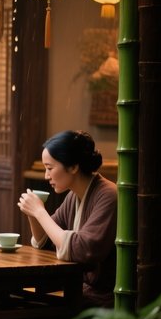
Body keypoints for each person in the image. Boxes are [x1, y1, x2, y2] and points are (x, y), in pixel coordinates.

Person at [18, 129, 117, 308]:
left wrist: (40, 212)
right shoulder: (73, 196)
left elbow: (82, 249)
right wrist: (33, 213)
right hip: (78, 290)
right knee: (17, 301)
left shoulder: (108, 195)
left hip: (103, 299)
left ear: (73, 167)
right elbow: (46, 240)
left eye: (50, 168)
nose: (46, 176)